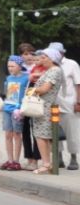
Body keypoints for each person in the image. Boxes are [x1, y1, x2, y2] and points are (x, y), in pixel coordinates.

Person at [30, 47, 65, 174]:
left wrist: (31, 91)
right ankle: (48, 163)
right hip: (43, 106)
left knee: (41, 136)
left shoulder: (54, 71)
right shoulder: (50, 70)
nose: (41, 60)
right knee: (42, 136)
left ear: (52, 59)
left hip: (45, 107)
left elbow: (45, 89)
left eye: (44, 57)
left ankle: (46, 164)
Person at [48, 42, 80, 170]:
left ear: (62, 53)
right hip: (53, 104)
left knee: (72, 132)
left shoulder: (72, 64)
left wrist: (78, 102)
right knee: (55, 132)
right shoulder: (49, 65)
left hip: (69, 104)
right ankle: (59, 157)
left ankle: (73, 158)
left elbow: (79, 84)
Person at [1, 56, 28, 171]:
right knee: (8, 135)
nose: (10, 68)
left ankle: (16, 161)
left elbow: (27, 94)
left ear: (19, 66)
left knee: (17, 135)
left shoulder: (26, 78)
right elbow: (8, 93)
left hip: (17, 110)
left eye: (12, 66)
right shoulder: (8, 78)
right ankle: (10, 159)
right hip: (7, 108)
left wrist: (21, 108)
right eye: (8, 66)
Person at [19, 44, 45, 169]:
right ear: (21, 56)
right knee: (24, 130)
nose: (29, 56)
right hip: (23, 101)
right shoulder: (18, 67)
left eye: (31, 53)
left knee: (36, 130)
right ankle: (29, 158)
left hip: (36, 100)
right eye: (25, 54)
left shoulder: (39, 67)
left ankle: (36, 160)